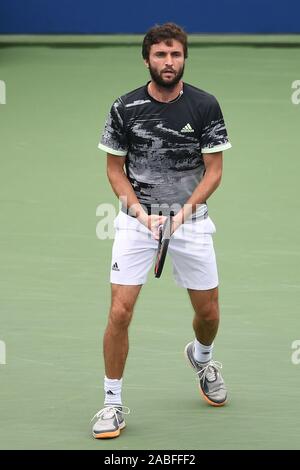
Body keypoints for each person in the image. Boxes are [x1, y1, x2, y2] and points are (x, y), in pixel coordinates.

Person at [92, 22, 232, 439]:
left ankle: (202, 357)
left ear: (184, 58)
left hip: (190, 219)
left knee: (208, 313)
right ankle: (112, 402)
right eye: (160, 55)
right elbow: (115, 169)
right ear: (147, 59)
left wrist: (182, 215)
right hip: (137, 222)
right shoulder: (124, 107)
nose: (168, 62)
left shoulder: (205, 106)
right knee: (120, 310)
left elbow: (215, 171)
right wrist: (139, 213)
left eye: (175, 54)